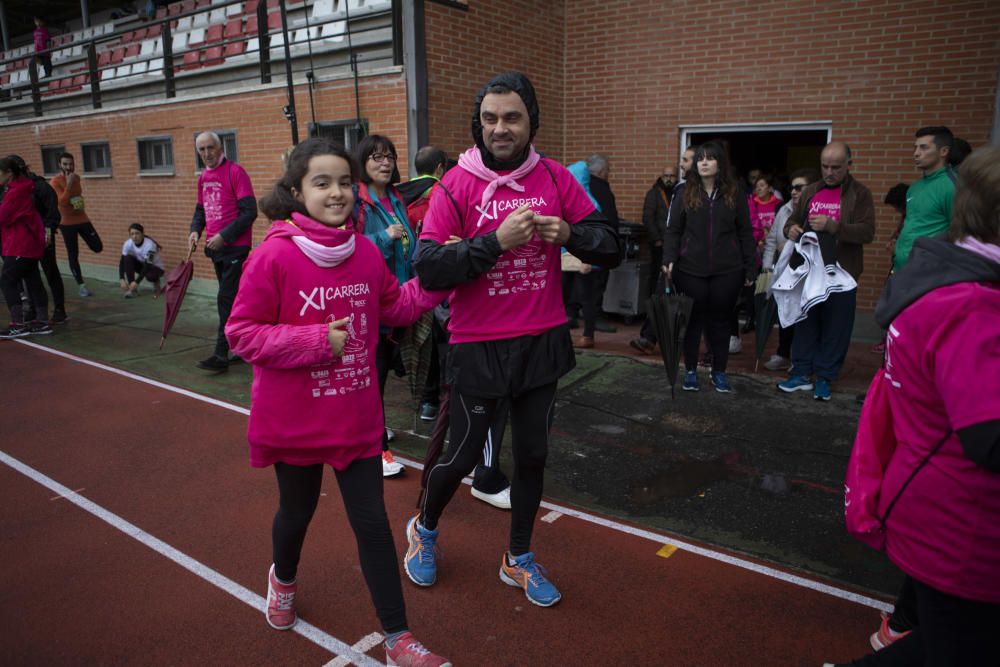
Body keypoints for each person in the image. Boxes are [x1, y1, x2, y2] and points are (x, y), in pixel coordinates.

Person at [224, 138, 450, 667]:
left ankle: (398, 638)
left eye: (345, 182)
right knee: (296, 513)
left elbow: (398, 305)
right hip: (295, 421)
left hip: (355, 417)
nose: (338, 192)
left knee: (373, 524)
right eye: (322, 182)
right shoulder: (273, 254)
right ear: (297, 192)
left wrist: (449, 278)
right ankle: (283, 578)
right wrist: (312, 342)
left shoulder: (366, 252)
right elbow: (241, 333)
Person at [404, 71, 620, 607]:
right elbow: (428, 267)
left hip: (541, 341)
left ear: (531, 122)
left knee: (532, 456)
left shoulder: (553, 176)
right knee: (462, 458)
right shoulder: (455, 183)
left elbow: (611, 244)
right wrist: (494, 243)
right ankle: (424, 529)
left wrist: (569, 233)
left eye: (512, 117)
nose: (500, 128)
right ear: (479, 126)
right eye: (490, 119)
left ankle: (517, 558)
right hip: (478, 344)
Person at [824, 145, 1000, 667]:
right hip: (964, 525)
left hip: (939, 509)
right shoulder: (971, 305)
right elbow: (990, 439)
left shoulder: (947, 286)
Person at [779, 142, 874, 401]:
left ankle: (824, 378)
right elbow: (791, 221)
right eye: (825, 166)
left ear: (848, 165)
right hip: (809, 272)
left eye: (836, 167)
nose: (829, 172)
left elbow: (868, 232)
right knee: (805, 323)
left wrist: (835, 227)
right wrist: (791, 230)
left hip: (842, 274)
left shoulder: (860, 193)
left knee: (836, 327)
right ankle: (801, 374)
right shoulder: (811, 191)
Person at [661, 141, 756, 394]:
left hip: (727, 270)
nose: (703, 162)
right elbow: (673, 230)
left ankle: (719, 372)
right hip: (690, 269)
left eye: (709, 158)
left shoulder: (734, 193)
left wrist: (750, 268)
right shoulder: (684, 192)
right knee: (692, 322)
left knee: (721, 322)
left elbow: (745, 232)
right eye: (699, 158)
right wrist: (669, 258)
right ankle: (691, 371)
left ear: (720, 164)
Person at [353, 134, 417, 478]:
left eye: (389, 156)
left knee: (383, 372)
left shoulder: (395, 197)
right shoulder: (356, 201)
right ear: (362, 163)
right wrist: (384, 238)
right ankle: (374, 447)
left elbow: (409, 244)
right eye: (376, 157)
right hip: (369, 304)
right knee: (372, 375)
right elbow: (348, 246)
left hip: (398, 302)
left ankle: (371, 427)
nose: (385, 162)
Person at [188, 131, 258, 372]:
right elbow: (200, 210)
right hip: (215, 249)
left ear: (220, 148)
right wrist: (195, 230)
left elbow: (249, 212)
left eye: (210, 148)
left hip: (235, 248)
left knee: (225, 300)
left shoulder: (235, 173)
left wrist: (224, 237)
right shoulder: (203, 178)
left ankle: (220, 355)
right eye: (202, 150)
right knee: (236, 300)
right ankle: (242, 347)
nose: (206, 153)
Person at [396, 145, 449, 423]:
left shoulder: (396, 196)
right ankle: (445, 400)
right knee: (444, 339)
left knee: (420, 340)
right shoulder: (442, 192)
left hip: (409, 280)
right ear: (440, 167)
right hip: (438, 279)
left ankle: (427, 401)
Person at [760, 168, 819, 371]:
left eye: (798, 187)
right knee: (784, 314)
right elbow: (770, 242)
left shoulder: (817, 211)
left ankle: (802, 359)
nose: (793, 192)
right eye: (791, 187)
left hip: (809, 274)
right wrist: (767, 269)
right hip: (785, 271)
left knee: (804, 317)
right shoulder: (784, 210)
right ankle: (783, 354)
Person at [7, 155, 66, 324]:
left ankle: (59, 309)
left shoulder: (39, 187)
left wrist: (47, 231)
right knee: (29, 275)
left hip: (41, 236)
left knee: (50, 271)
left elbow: (52, 213)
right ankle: (34, 309)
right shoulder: (13, 188)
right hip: (24, 240)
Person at [892, 126, 956, 273]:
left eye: (924, 148)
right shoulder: (915, 187)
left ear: (943, 151)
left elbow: (960, 233)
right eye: (915, 148)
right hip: (902, 268)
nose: (916, 153)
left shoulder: (951, 186)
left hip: (930, 273)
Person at [0, 156, 51, 338]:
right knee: (33, 280)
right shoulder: (20, 187)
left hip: (21, 244)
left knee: (7, 280)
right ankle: (43, 321)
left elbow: (2, 217)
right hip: (29, 243)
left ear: (9, 173)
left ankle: (18, 324)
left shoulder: (16, 192)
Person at [50, 152, 104, 298]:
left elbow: (76, 195)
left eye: (71, 164)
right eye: (65, 164)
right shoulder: (55, 181)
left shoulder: (77, 177)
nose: (69, 167)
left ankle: (82, 284)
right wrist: (68, 184)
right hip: (67, 223)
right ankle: (81, 286)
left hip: (82, 217)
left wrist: (78, 201)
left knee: (97, 246)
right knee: (73, 254)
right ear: (60, 165)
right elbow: (61, 201)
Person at [642, 166, 676, 298]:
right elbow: (647, 218)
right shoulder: (654, 193)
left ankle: (670, 304)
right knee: (657, 274)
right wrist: (657, 239)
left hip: (674, 243)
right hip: (659, 243)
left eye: (672, 176)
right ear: (662, 177)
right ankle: (654, 306)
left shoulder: (678, 192)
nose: (668, 179)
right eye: (666, 176)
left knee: (672, 275)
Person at [118, 223, 164, 298]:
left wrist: (137, 282)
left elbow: (148, 265)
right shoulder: (128, 243)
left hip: (155, 268)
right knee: (127, 259)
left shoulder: (150, 245)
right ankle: (133, 290)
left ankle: (156, 282)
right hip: (142, 265)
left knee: (150, 276)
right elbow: (122, 262)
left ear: (142, 234)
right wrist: (121, 278)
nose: (134, 236)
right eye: (132, 234)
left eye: (137, 233)